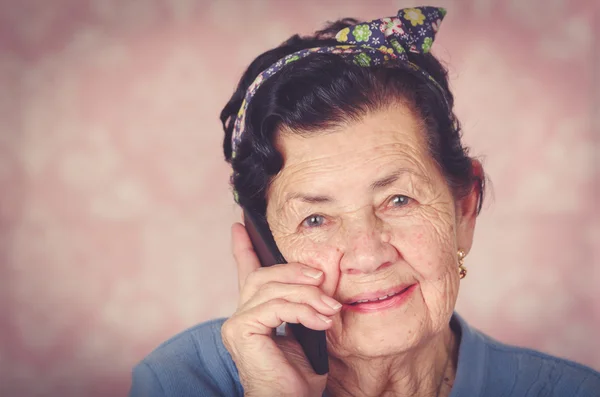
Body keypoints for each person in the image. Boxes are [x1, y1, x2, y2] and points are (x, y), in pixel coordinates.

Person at [129, 6, 600, 397]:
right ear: (263, 244)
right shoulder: (181, 380)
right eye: (315, 218)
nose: (368, 254)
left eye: (398, 199)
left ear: (463, 209)